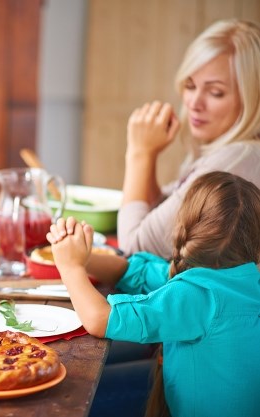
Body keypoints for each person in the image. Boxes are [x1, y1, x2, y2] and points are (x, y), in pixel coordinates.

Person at [48, 171, 260, 416]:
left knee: (71, 393)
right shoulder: (243, 283)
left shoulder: (198, 295)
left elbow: (100, 320)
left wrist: (70, 267)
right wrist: (83, 257)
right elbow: (137, 272)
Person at [118, 19, 260, 258]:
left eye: (216, 92)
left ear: (253, 98)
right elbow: (162, 215)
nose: (194, 103)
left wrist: (138, 154)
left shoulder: (237, 160)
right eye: (190, 85)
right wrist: (149, 155)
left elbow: (135, 250)